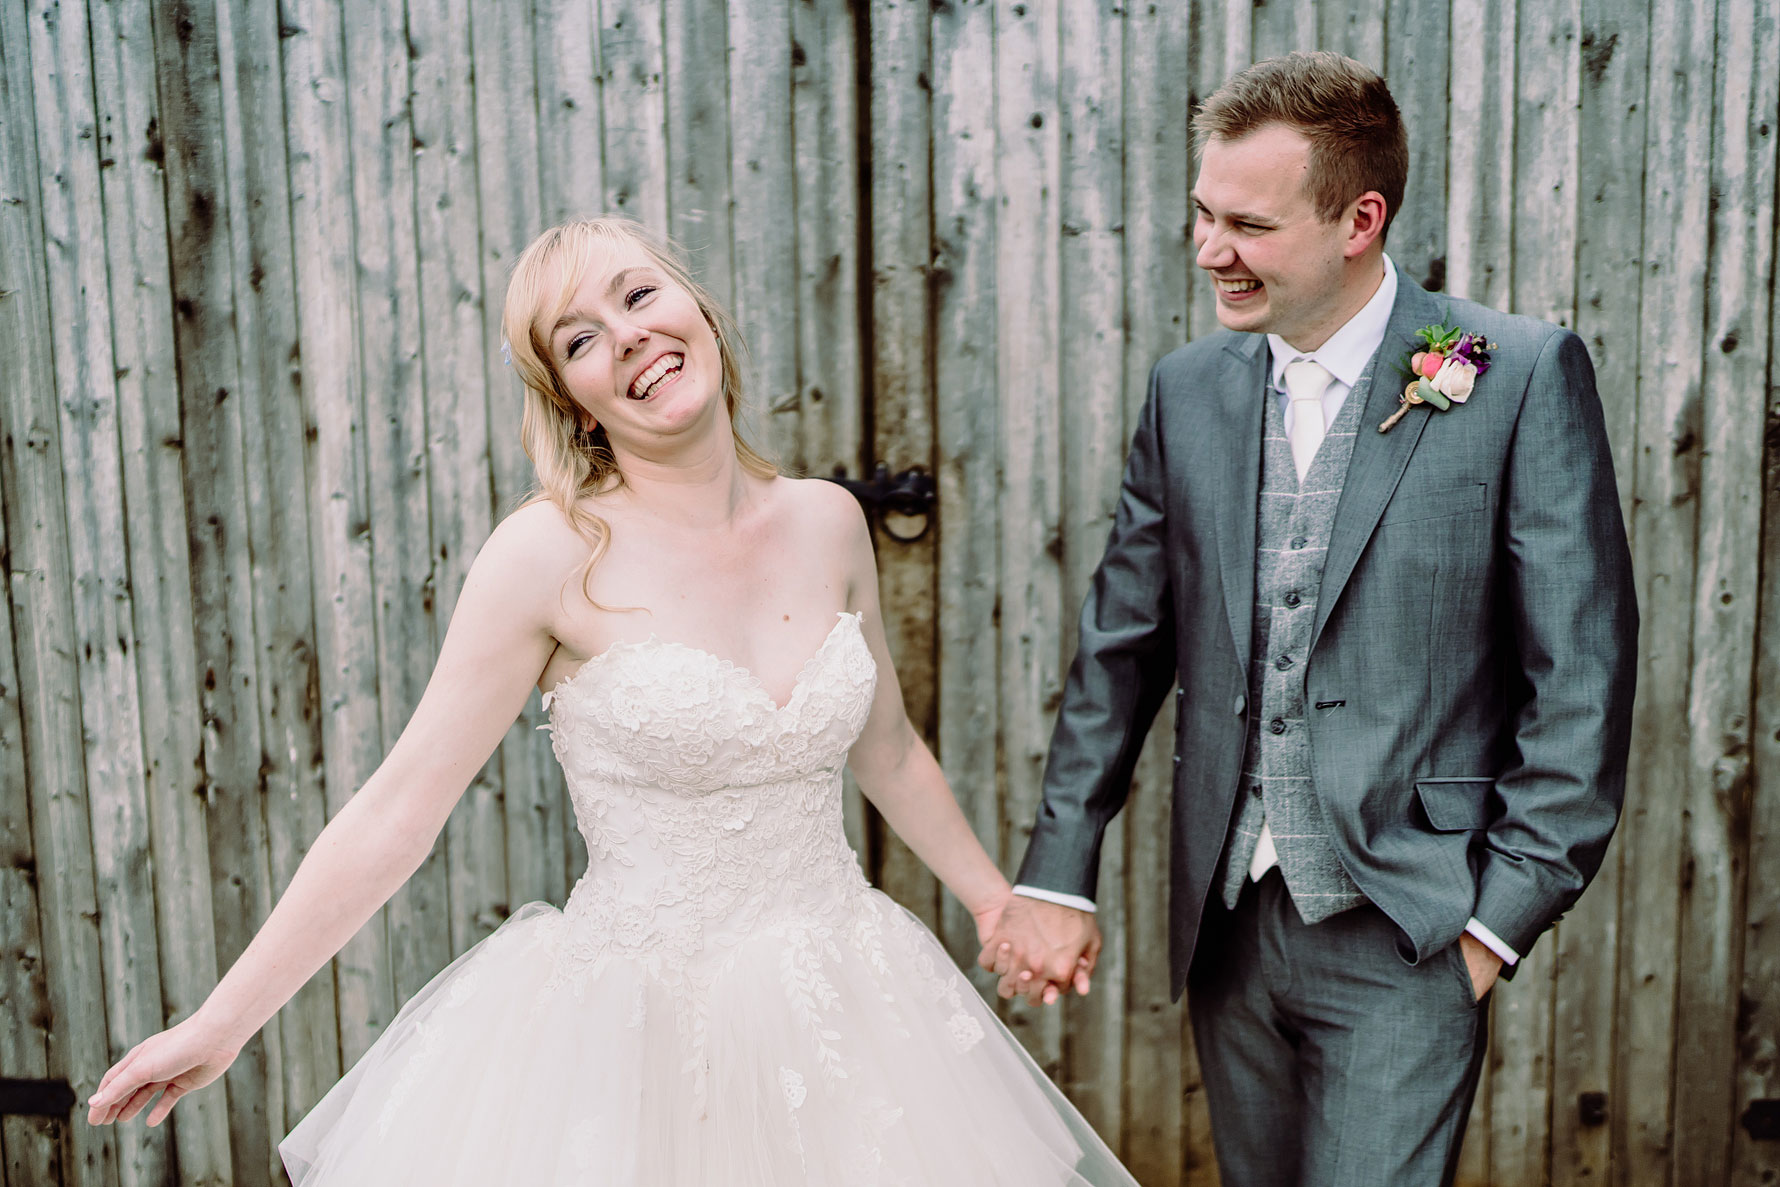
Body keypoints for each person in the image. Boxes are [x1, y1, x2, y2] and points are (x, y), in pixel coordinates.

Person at [86, 217, 1137, 1185]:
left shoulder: (828, 521)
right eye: (580, 340)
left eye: (639, 297)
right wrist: (223, 1021)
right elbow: (399, 807)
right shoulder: (546, 554)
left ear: (698, 308)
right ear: (571, 398)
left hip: (846, 1002)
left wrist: (992, 897)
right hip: (635, 1037)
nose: (628, 338)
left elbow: (890, 747)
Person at [982, 51, 1637, 1186]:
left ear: (1358, 219)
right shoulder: (1187, 389)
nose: (1207, 251)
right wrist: (1059, 870)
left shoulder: (1513, 372)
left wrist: (1493, 925)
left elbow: (1579, 671)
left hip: (1410, 922)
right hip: (1230, 925)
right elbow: (1119, 647)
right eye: (1200, 213)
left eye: (1247, 223)